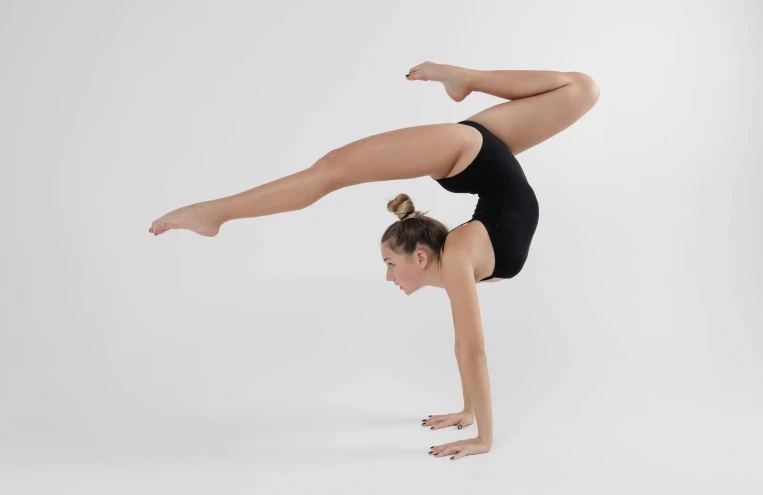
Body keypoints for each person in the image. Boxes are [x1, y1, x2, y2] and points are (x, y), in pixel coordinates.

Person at [148, 61, 600, 459]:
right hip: (476, 152)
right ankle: (215, 213)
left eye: (388, 263)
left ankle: (467, 78)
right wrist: (476, 424)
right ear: (423, 257)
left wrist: (478, 427)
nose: (388, 276)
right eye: (388, 264)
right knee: (329, 171)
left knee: (583, 87)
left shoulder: (461, 254)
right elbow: (471, 349)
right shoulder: (460, 254)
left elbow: (468, 348)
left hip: (480, 151)